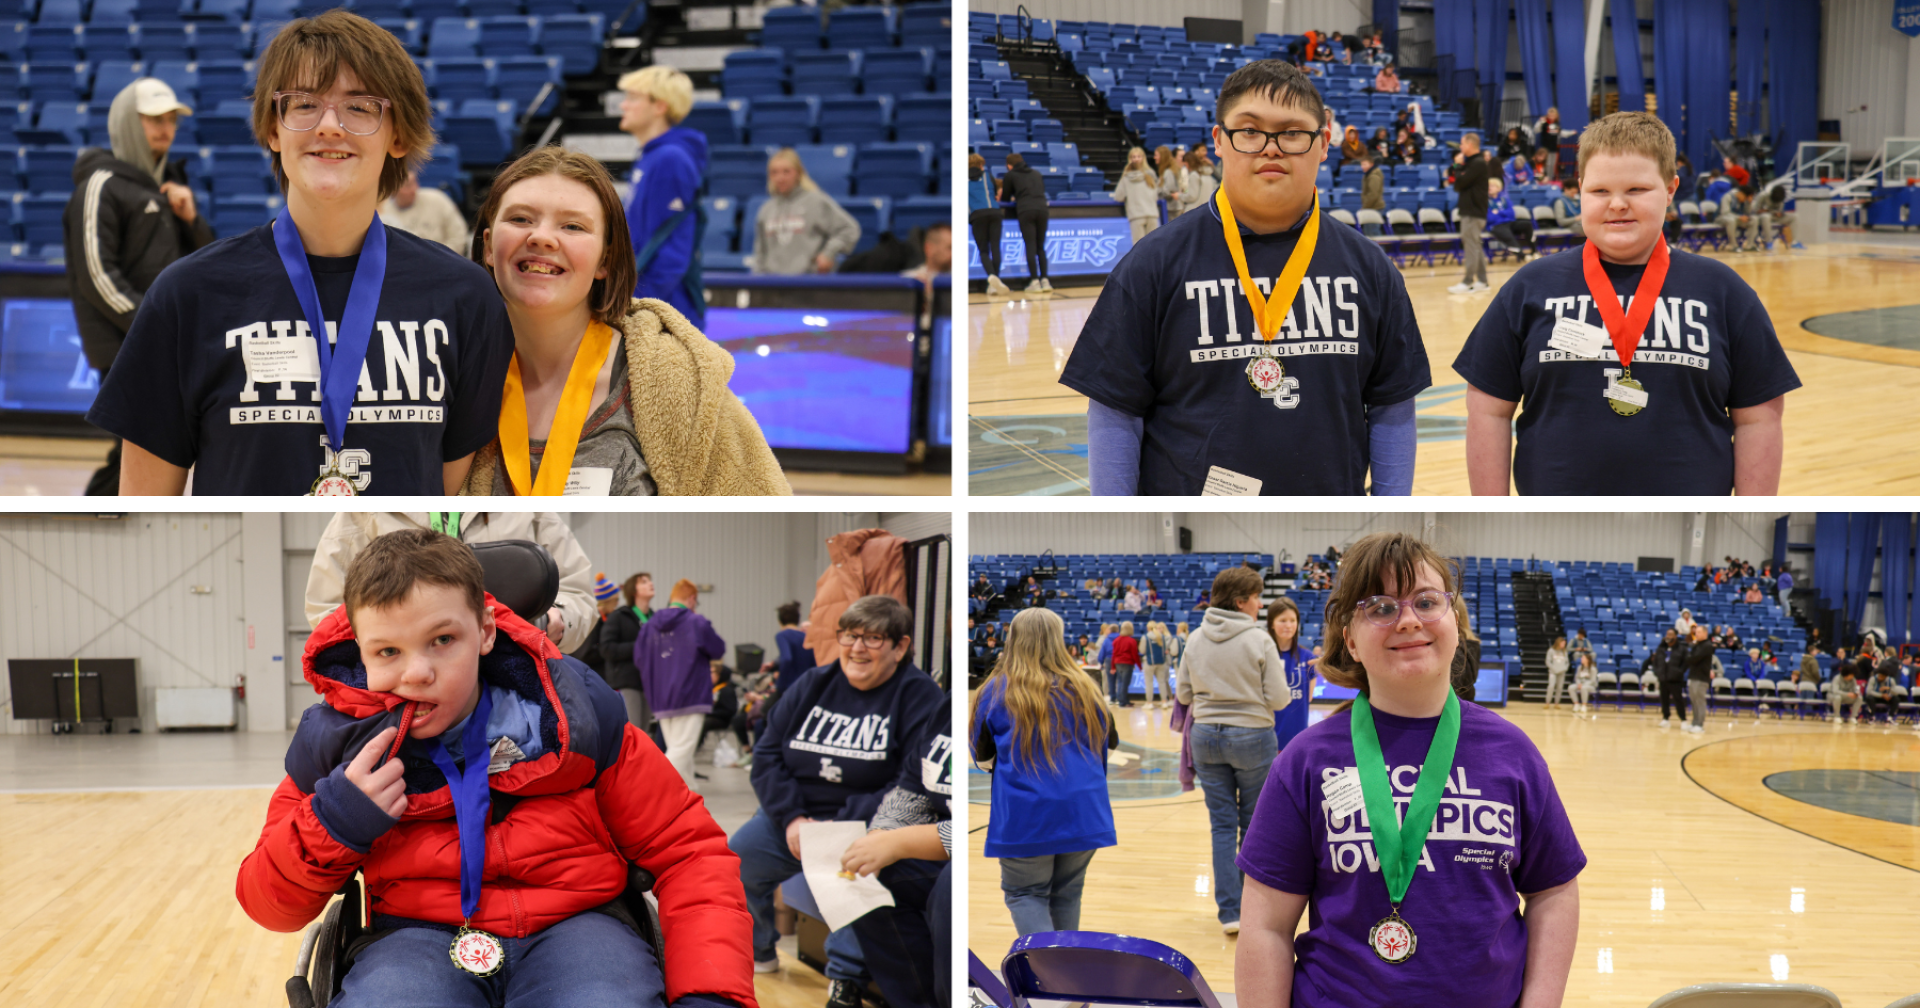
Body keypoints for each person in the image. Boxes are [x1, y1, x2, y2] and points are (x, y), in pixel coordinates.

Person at [236, 528, 754, 1008]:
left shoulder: (580, 719)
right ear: (361, 655)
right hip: (416, 936)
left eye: (443, 640)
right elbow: (269, 905)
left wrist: (711, 993)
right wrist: (334, 823)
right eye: (388, 651)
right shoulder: (337, 749)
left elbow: (690, 854)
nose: (417, 673)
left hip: (581, 927)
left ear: (485, 631)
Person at [87, 11, 514, 495]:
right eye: (304, 104)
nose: (329, 126)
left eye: (360, 107)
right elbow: (148, 514)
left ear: (398, 135)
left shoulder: (464, 297)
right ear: (274, 129)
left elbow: (447, 502)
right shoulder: (188, 295)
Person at [1234, 531, 1582, 1007]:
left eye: (1426, 601)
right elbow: (1265, 928)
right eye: (1379, 607)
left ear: (1455, 622)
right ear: (1350, 639)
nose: (1407, 620)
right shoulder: (1305, 761)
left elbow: (1554, 893)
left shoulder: (1513, 752)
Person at [1059, 60, 1430, 496]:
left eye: (1292, 132)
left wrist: (1388, 515)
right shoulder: (1154, 263)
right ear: (1219, 140)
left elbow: (1392, 406)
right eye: (1250, 131)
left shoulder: (1371, 268)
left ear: (1323, 142)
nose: (1270, 148)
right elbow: (1114, 410)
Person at [1453, 112, 1799, 496]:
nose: (1617, 204)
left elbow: (1758, 420)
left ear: (1670, 189)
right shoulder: (1528, 287)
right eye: (1600, 192)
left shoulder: (1724, 291)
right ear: (1581, 189)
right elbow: (1487, 410)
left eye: (1636, 190)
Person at [457, 146, 789, 495]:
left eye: (572, 226)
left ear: (605, 259)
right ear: (489, 248)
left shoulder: (677, 381)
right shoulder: (444, 374)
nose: (541, 236)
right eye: (521, 219)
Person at [732, 595, 943, 1003]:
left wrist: (843, 825)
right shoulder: (814, 683)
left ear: (900, 646)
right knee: (733, 862)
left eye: (873, 638)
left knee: (859, 879)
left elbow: (911, 782)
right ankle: (757, 952)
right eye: (849, 635)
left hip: (865, 825)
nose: (857, 647)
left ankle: (845, 979)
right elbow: (767, 754)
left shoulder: (920, 697)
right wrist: (792, 817)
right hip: (793, 820)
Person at [63, 77, 216, 496]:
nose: (166, 128)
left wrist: (190, 219)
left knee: (143, 447)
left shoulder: (167, 186)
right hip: (124, 344)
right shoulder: (100, 185)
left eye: (171, 119)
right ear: (128, 123)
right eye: (153, 119)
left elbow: (206, 264)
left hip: (159, 343)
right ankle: (98, 512)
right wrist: (151, 329)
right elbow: (96, 275)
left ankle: (101, 513)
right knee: (138, 446)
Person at [972, 607, 1118, 936]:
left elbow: (982, 759)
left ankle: (1046, 979)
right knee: (1067, 894)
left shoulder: (995, 690)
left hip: (1027, 814)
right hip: (1084, 810)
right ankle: (1066, 980)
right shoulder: (1087, 686)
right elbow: (1111, 742)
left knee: (1026, 893)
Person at [1178, 566, 1291, 933]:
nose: (1260, 605)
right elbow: (1279, 698)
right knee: (1253, 824)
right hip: (1252, 737)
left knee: (1221, 827)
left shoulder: (1195, 638)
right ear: (1241, 601)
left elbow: (1182, 694)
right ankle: (1250, 906)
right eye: (1257, 598)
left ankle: (1229, 913)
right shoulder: (1259, 640)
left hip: (1205, 737)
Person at [305, 511, 597, 653]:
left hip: (515, 670)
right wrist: (384, 653)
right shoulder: (365, 511)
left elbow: (578, 592)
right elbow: (327, 610)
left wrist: (556, 622)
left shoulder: (526, 506)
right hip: (400, 695)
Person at [842, 692, 952, 1008]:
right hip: (930, 841)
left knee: (950, 888)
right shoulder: (946, 706)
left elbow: (989, 822)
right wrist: (881, 834)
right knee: (865, 872)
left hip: (968, 848)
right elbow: (911, 785)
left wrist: (898, 842)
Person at [614, 66, 708, 327]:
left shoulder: (670, 159)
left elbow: (672, 249)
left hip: (665, 312)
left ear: (659, 107)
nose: (623, 105)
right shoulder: (652, 156)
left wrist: (637, 307)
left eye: (632, 98)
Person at [634, 579, 727, 782]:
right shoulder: (696, 622)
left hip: (660, 698)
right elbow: (718, 648)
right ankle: (647, 787)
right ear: (692, 599)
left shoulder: (649, 626)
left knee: (681, 755)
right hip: (691, 695)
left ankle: (688, 796)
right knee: (680, 752)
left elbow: (639, 659)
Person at [753, 147, 860, 276]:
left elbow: (849, 229)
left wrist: (828, 254)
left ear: (798, 173)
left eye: (786, 172)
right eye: (774, 172)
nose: (780, 178)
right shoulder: (766, 209)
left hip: (807, 283)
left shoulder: (816, 201)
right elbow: (760, 254)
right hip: (773, 285)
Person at [600, 571, 655, 730]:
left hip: (649, 683)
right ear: (633, 591)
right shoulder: (619, 616)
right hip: (626, 682)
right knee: (632, 732)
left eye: (650, 581)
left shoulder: (655, 619)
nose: (650, 584)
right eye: (644, 582)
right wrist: (639, 646)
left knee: (644, 733)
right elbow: (606, 649)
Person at [378, 167, 467, 252]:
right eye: (407, 185)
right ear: (394, 189)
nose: (414, 189)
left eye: (414, 182)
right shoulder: (384, 214)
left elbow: (459, 237)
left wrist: (441, 258)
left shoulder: (437, 199)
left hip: (445, 260)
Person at [1266, 597, 1315, 753]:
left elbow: (1308, 698)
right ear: (1272, 624)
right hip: (1267, 738)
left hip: (1297, 738)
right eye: (1282, 620)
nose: (1288, 625)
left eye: (1292, 620)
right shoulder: (1263, 656)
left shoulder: (1308, 658)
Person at [999, 152, 1051, 292]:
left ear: (1009, 165)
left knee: (1030, 245)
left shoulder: (1010, 175)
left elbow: (1005, 198)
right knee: (1040, 246)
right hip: (1042, 209)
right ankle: (1045, 280)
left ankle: (1034, 281)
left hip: (1026, 210)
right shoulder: (1036, 173)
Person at [1447, 132, 1491, 294]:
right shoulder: (1473, 162)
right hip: (1473, 211)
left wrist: (1457, 166)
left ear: (1470, 145)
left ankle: (1468, 282)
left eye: (1462, 144)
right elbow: (1457, 180)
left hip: (1473, 212)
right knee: (1475, 245)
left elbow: (1460, 183)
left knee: (1471, 246)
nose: (1460, 147)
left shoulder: (1477, 163)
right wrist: (1457, 167)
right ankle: (1482, 281)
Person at [968, 152, 1010, 298]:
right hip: (995, 212)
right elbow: (999, 187)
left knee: (984, 251)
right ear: (980, 165)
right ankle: (993, 285)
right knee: (995, 247)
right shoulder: (987, 175)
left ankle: (992, 279)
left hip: (977, 215)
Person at [1111, 146, 1162, 242]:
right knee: (1154, 246)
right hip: (1152, 214)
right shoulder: (1150, 175)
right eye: (1133, 157)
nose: (1136, 159)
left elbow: (1118, 197)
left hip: (1136, 216)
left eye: (1138, 156)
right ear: (1129, 159)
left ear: (1143, 158)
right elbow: (1156, 195)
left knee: (1139, 248)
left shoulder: (1126, 177)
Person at [1484, 177, 1534, 263]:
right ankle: (1523, 256)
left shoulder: (1505, 200)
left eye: (1492, 185)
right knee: (1506, 233)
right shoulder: (1485, 202)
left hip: (1509, 223)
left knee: (1527, 224)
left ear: (1499, 188)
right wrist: (1504, 214)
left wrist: (1498, 212)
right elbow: (1490, 218)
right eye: (1488, 185)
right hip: (1495, 226)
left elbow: (1512, 214)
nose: (1489, 187)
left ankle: (1534, 251)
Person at [773, 600, 815, 701]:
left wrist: (780, 684)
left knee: (766, 711)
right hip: (806, 686)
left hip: (789, 687)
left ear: (780, 621)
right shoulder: (806, 637)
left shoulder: (782, 635)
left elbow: (787, 658)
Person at [1716, 184, 1768, 253]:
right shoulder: (1728, 196)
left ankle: (1750, 245)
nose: (1745, 200)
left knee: (1754, 219)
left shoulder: (1744, 201)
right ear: (1741, 193)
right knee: (1731, 220)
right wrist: (1739, 217)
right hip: (1721, 218)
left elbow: (1747, 213)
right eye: (1746, 198)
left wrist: (1749, 203)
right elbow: (1725, 212)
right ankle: (1733, 246)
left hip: (1736, 219)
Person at [1683, 623, 1714, 733]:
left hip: (1701, 678)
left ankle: (1700, 725)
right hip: (1693, 675)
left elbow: (1694, 658)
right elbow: (1691, 658)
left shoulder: (1707, 645)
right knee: (1694, 701)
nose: (1697, 633)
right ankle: (1694, 722)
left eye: (1699, 632)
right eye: (1696, 632)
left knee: (1700, 701)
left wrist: (1687, 656)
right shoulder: (1697, 645)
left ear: (1705, 633)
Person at [1141, 620, 1173, 708]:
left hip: (1149, 662)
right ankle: (1164, 702)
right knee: (1162, 682)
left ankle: (1149, 703)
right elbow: (1165, 649)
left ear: (1148, 628)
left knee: (1149, 683)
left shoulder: (1146, 637)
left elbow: (1142, 650)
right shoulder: (1162, 637)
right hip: (1161, 662)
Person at [1180, 148, 1219, 216]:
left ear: (1187, 163)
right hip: (1208, 210)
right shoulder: (1208, 174)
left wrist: (1179, 196)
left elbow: (1192, 196)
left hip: (1195, 212)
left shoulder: (1194, 175)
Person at [1110, 620, 1139, 707]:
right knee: (1125, 683)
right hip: (1127, 663)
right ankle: (1123, 701)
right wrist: (1139, 665)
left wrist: (1113, 666)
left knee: (1120, 682)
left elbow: (1114, 654)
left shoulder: (1116, 640)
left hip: (1118, 663)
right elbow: (1135, 654)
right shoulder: (1132, 641)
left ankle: (1123, 700)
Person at [1156, 146, 1186, 218]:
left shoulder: (1168, 171)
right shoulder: (1167, 171)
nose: (1154, 157)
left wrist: (1158, 191)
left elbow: (1170, 190)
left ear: (1162, 157)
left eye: (1156, 155)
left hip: (1172, 208)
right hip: (1171, 207)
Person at [1535, 107, 1562, 179]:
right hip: (1545, 148)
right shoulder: (1544, 124)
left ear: (1556, 116)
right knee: (1547, 164)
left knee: (1552, 165)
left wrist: (1571, 133)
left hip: (1554, 148)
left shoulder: (1556, 124)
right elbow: (1536, 130)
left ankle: (1550, 178)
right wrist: (1540, 122)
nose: (1551, 117)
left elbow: (1559, 134)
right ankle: (1543, 177)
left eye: (1553, 115)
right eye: (1550, 115)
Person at [1544, 635, 1570, 708]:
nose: (1564, 645)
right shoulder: (1551, 651)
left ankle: (1556, 703)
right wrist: (1553, 668)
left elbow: (1567, 662)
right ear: (1558, 643)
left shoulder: (1565, 652)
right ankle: (1547, 702)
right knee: (1551, 686)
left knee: (1560, 687)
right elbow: (1548, 661)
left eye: (1564, 644)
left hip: (1561, 672)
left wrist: (1565, 668)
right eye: (1562, 643)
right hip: (1553, 672)